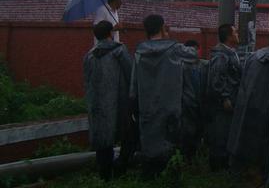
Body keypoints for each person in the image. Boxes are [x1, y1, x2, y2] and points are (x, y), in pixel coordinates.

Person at [130, 14, 198, 177]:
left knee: (150, 145)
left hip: (147, 108)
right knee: (170, 147)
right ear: (163, 27)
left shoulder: (139, 52)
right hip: (170, 109)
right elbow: (194, 55)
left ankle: (150, 175)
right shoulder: (174, 49)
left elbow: (133, 84)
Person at [228, 33, 269, 187]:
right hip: (267, 112)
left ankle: (236, 173)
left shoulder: (253, 57)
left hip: (246, 106)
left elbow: (243, 80)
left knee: (242, 138)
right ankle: (267, 179)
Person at [83, 20, 133, 181]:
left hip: (96, 104)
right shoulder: (119, 51)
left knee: (103, 141)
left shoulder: (89, 56)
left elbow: (87, 80)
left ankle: (105, 176)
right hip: (118, 103)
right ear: (110, 34)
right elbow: (131, 73)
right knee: (128, 135)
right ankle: (120, 169)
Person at [205, 23, 242, 171]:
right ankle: (217, 166)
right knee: (220, 133)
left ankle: (224, 164)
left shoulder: (230, 53)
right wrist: (225, 98)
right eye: (235, 32)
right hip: (222, 104)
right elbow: (216, 79)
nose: (238, 35)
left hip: (231, 100)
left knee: (227, 133)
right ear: (228, 36)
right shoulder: (221, 55)